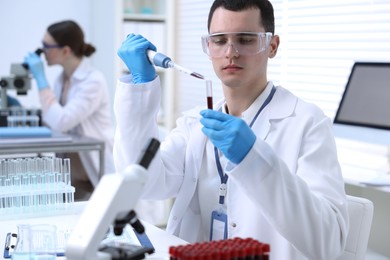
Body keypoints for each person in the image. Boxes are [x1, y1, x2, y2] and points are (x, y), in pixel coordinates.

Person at [114, 0, 349, 259]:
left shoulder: (306, 123)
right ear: (208, 46)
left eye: (245, 39)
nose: (231, 52)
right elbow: (146, 184)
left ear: (272, 46)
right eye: (219, 40)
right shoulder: (195, 124)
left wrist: (256, 159)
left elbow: (329, 243)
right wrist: (140, 89)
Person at [23, 20, 115, 200]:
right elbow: (51, 119)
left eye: (46, 46)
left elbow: (61, 121)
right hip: (73, 173)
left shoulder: (92, 81)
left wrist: (41, 80)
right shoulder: (62, 79)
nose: (43, 52)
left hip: (96, 171)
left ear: (65, 51)